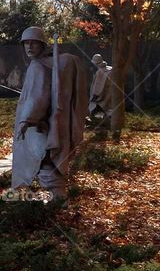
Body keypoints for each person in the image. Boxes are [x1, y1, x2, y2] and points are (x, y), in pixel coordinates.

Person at [12, 27, 88, 201]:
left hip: (37, 127)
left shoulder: (37, 66)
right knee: (50, 162)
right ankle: (57, 201)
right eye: (26, 43)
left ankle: (56, 203)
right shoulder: (53, 64)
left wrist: (26, 119)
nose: (29, 47)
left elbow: (38, 96)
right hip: (50, 124)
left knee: (44, 161)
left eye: (33, 43)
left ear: (42, 44)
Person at [87, 54, 114, 129]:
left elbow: (98, 87)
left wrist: (94, 97)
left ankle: (101, 126)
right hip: (111, 94)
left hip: (102, 96)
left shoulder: (100, 72)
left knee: (94, 110)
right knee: (109, 110)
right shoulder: (111, 69)